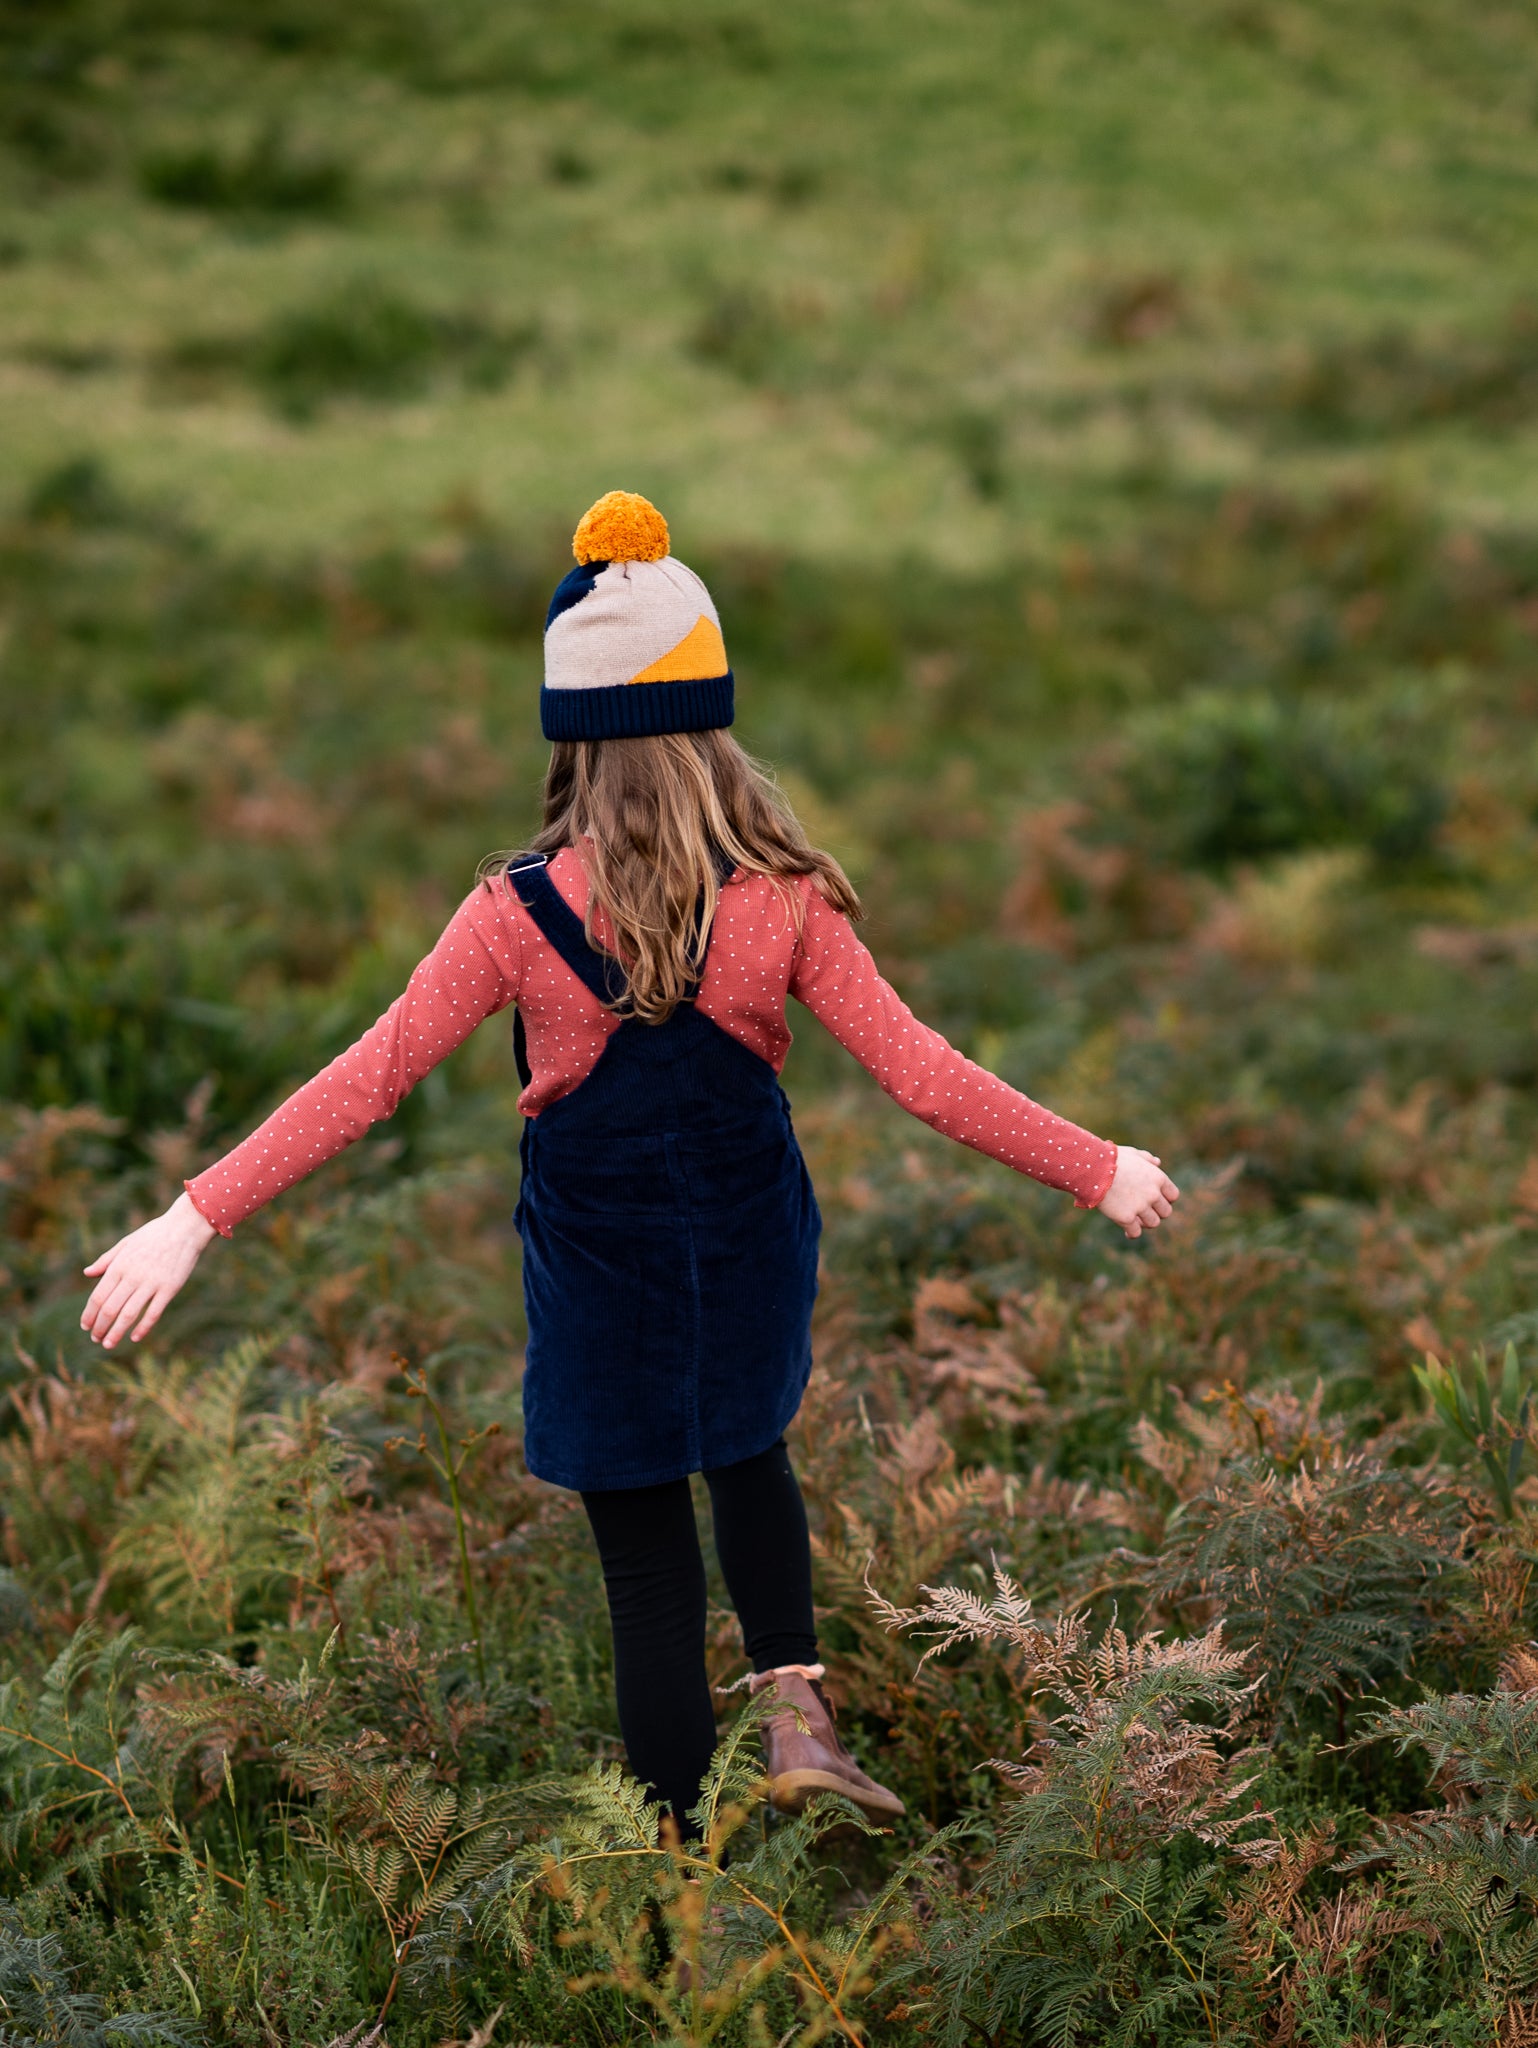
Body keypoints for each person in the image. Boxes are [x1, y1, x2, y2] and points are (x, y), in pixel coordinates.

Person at [80, 490, 1179, 1834]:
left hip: (600, 1274)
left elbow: (366, 1081)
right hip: (745, 1244)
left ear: (575, 741)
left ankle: (673, 1890)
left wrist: (192, 1217)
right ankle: (795, 1716)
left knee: (650, 1574)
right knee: (752, 1449)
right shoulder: (783, 897)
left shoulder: (511, 915)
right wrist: (1095, 1163)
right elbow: (922, 1076)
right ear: (712, 722)